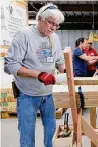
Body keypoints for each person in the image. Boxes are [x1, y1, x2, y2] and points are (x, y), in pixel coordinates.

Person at [4, 3, 65, 147]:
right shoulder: (24, 35)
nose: (53, 28)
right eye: (51, 23)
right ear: (40, 19)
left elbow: (60, 62)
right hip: (27, 95)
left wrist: (67, 72)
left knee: (51, 131)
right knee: (27, 135)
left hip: (47, 94)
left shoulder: (54, 38)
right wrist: (39, 74)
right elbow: (10, 65)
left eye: (56, 25)